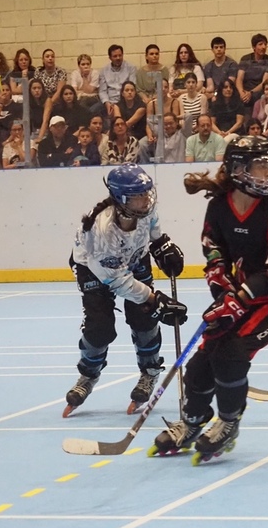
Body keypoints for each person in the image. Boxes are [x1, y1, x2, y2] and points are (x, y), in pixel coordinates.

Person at [149, 136, 268, 461]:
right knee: (199, 364)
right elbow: (214, 256)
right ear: (238, 169)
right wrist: (223, 296)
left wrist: (237, 299)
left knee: (231, 353)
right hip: (241, 293)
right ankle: (193, 421)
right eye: (260, 166)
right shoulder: (219, 207)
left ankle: (228, 421)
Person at [64, 163, 187, 418]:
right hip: (95, 268)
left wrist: (163, 246)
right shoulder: (101, 230)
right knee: (100, 328)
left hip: (133, 258)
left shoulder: (144, 209)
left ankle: (150, 371)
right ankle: (88, 375)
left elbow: (154, 233)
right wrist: (157, 300)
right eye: (139, 195)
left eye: (147, 192)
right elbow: (117, 281)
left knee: (144, 317)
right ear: (121, 199)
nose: (146, 199)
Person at [236, 33, 268, 106]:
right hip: (245, 89)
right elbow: (239, 79)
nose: (263, 47)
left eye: (265, 44)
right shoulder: (245, 59)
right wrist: (241, 92)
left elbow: (264, 82)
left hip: (259, 90)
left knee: (256, 97)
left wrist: (250, 93)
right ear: (254, 47)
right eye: (260, 44)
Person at [203, 36, 238, 101]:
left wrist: (215, 95)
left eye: (221, 47)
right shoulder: (208, 66)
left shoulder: (232, 64)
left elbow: (229, 85)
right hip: (214, 95)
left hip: (228, 94)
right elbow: (211, 87)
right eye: (216, 47)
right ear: (212, 50)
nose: (219, 49)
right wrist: (203, 90)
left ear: (225, 49)